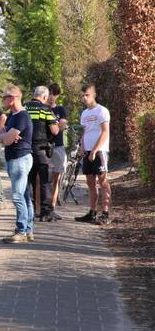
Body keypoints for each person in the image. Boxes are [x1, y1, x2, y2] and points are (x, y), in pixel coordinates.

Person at [0, 85, 34, 243]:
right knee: (24, 196)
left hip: (20, 159)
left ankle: (21, 231)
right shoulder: (12, 116)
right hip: (15, 159)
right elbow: (0, 135)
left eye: (5, 97)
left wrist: (5, 136)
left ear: (13, 98)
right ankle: (28, 230)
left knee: (17, 196)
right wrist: (5, 136)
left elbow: (5, 139)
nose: (3, 100)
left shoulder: (21, 116)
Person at [75, 84, 111, 225]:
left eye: (87, 95)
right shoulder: (84, 113)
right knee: (90, 183)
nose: (84, 98)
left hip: (100, 151)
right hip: (87, 151)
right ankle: (92, 212)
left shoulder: (102, 111)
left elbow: (105, 132)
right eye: (82, 95)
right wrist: (82, 148)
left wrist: (95, 150)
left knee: (103, 182)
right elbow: (83, 133)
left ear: (94, 95)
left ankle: (105, 213)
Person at [24, 86, 59, 221]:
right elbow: (55, 130)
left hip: (26, 150)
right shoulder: (46, 109)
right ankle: (46, 213)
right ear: (44, 97)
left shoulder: (24, 108)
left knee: (29, 182)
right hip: (42, 150)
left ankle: (30, 212)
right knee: (46, 182)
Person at [47, 83, 69, 214]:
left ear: (57, 95)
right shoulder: (42, 108)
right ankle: (42, 207)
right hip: (44, 146)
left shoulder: (61, 110)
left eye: (54, 94)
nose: (51, 97)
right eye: (49, 93)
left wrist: (50, 125)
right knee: (43, 179)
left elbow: (60, 127)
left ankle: (52, 207)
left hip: (57, 146)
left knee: (56, 178)